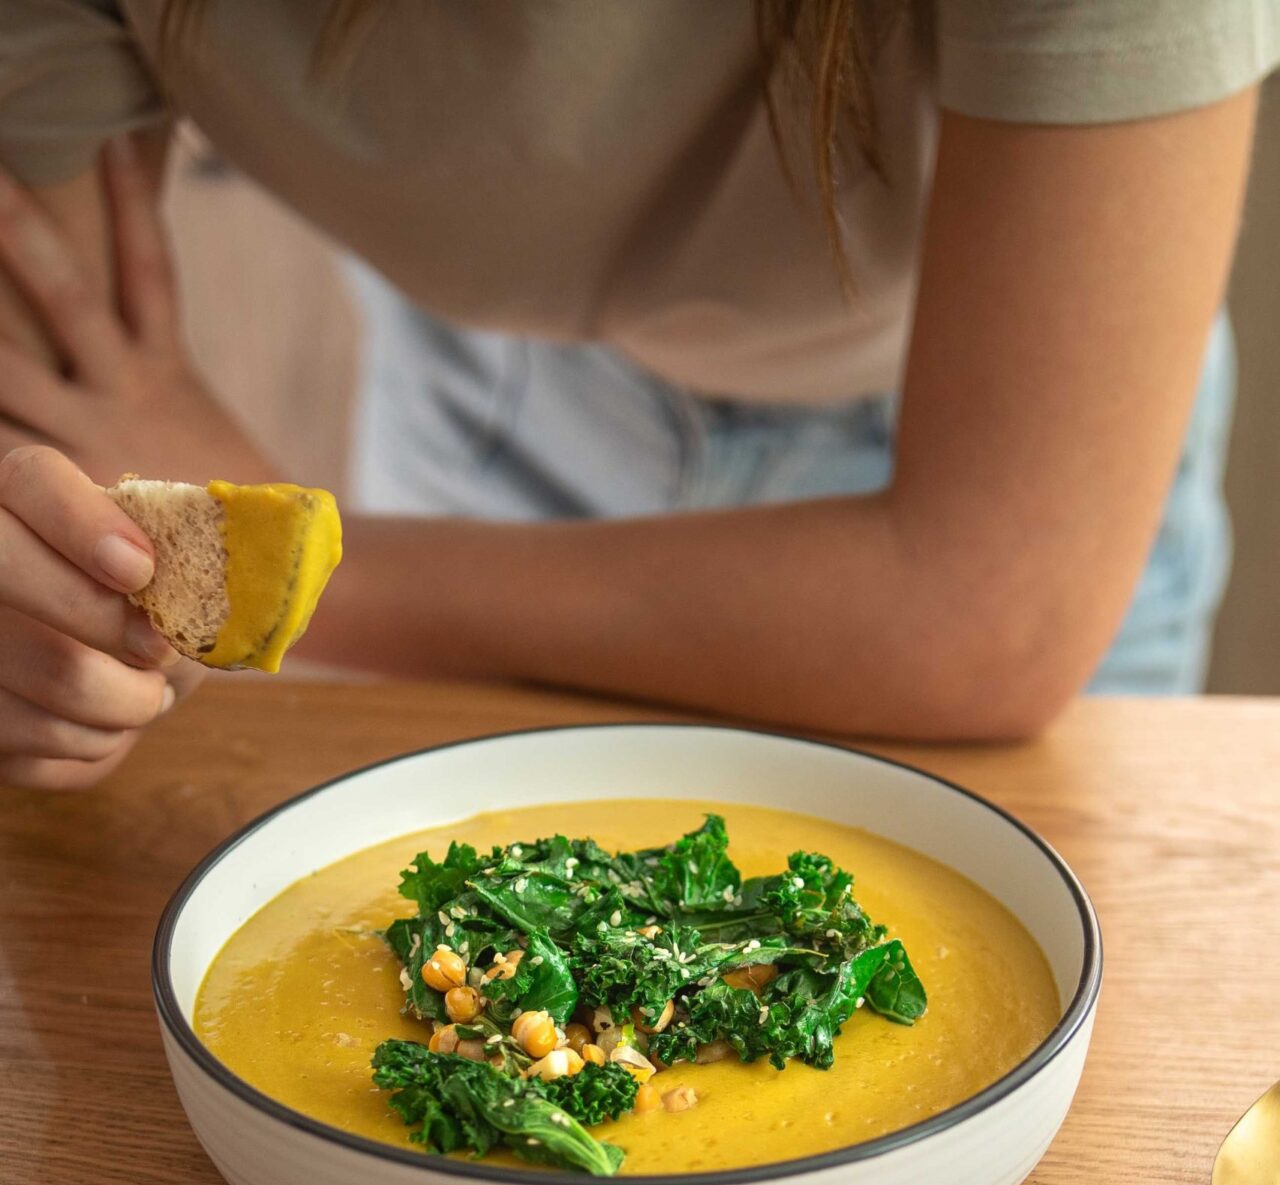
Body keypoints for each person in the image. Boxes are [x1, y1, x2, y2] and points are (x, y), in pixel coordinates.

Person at [0, 2, 1276, 791]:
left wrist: (312, 571)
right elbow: (58, 485)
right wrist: (71, 622)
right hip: (489, 408)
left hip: (986, 433)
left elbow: (991, 611)